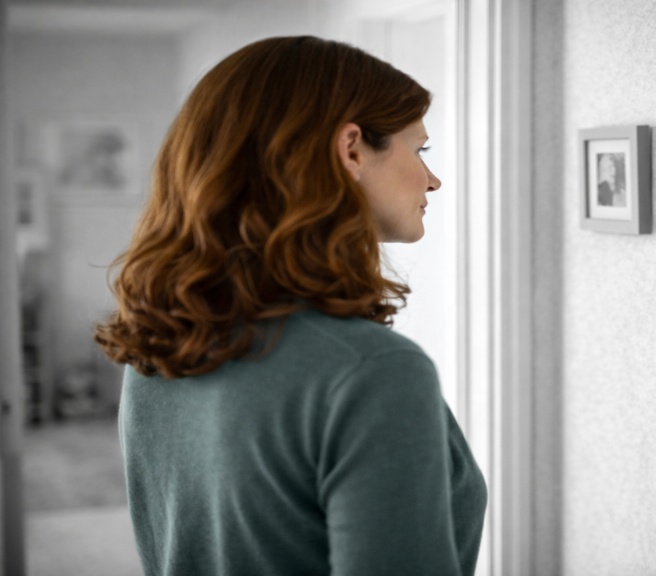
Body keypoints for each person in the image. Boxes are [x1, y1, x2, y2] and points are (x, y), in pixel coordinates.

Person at [93, 36, 486, 576]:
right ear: (350, 149)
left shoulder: (163, 340)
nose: (432, 179)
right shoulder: (370, 372)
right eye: (420, 150)